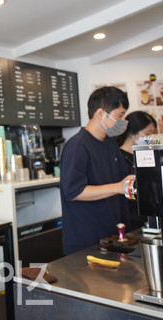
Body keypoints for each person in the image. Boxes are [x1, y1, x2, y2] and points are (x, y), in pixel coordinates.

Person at [59, 86, 134, 255]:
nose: (123, 121)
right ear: (100, 113)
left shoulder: (110, 145)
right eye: (120, 115)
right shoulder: (77, 146)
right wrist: (117, 187)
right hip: (86, 243)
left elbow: (125, 178)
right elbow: (75, 191)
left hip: (113, 237)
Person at [115, 111, 158, 229]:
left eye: (153, 133)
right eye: (147, 133)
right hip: (131, 216)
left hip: (149, 213)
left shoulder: (146, 153)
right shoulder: (118, 156)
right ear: (132, 133)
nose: (151, 137)